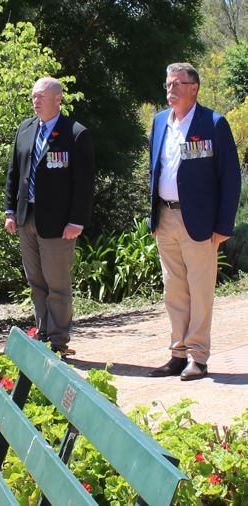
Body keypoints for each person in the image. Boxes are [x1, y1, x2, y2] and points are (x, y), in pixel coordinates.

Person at [147, 63, 241, 381]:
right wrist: (154, 216)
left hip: (200, 222)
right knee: (173, 290)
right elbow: (154, 171)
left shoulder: (213, 124)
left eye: (177, 84)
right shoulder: (160, 122)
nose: (170, 89)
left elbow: (230, 178)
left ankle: (198, 358)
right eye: (167, 84)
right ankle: (178, 353)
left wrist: (223, 226)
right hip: (166, 217)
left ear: (194, 87)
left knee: (200, 291)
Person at [4, 77, 95, 356]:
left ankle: (58, 341)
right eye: (33, 96)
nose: (35, 100)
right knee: (36, 281)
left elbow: (84, 184)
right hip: (26, 217)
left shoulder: (76, 133)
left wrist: (76, 220)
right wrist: (10, 211)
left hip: (59, 224)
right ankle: (42, 333)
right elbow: (14, 174)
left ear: (58, 99)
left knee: (57, 283)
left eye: (41, 96)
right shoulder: (25, 129)